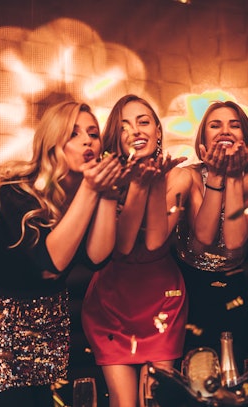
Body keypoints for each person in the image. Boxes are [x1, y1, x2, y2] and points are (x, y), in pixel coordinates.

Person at [0, 101, 129, 407]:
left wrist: (108, 194)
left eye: (93, 133)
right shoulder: (17, 191)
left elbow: (97, 259)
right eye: (73, 134)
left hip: (50, 323)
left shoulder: (85, 193)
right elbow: (51, 264)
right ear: (52, 143)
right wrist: (92, 191)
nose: (88, 141)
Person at [81, 94, 191, 407]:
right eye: (125, 126)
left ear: (157, 129)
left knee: (155, 400)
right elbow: (123, 246)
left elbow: (156, 241)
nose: (136, 131)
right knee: (124, 402)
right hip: (111, 303)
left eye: (143, 122)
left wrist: (154, 181)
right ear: (115, 137)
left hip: (162, 304)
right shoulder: (106, 180)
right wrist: (140, 184)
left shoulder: (178, 177)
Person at [175, 100, 248, 367]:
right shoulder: (188, 177)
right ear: (203, 139)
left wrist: (235, 176)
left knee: (233, 378)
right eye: (215, 125)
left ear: (247, 138)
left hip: (233, 292)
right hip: (188, 291)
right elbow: (202, 241)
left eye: (234, 125)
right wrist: (215, 176)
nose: (225, 130)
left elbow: (234, 242)